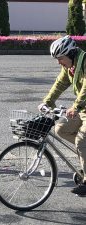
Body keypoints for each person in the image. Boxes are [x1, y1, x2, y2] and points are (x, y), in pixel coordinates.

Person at [38, 35, 86, 196]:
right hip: (83, 109)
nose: (59, 62)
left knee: (81, 140)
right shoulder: (69, 67)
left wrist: (76, 106)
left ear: (70, 54)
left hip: (82, 107)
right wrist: (47, 102)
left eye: (60, 58)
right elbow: (60, 83)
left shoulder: (85, 62)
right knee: (61, 129)